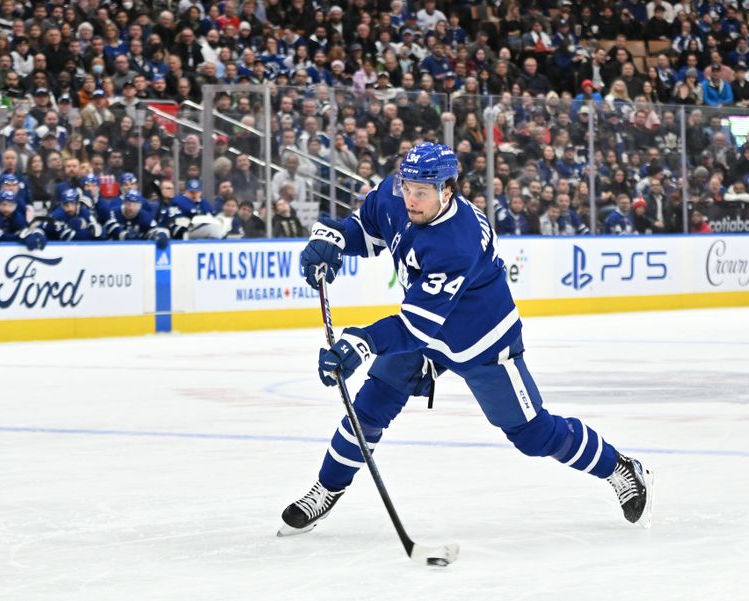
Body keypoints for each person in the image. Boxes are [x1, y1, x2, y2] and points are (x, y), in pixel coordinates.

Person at [278, 142, 654, 537]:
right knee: (370, 406)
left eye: (421, 192)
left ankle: (619, 467)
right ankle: (327, 487)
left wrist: (362, 341)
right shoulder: (397, 194)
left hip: (482, 342)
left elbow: (414, 328)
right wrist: (335, 239)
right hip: (426, 331)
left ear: (448, 190)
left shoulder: (458, 242)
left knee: (532, 434)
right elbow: (369, 231)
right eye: (407, 187)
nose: (410, 199)